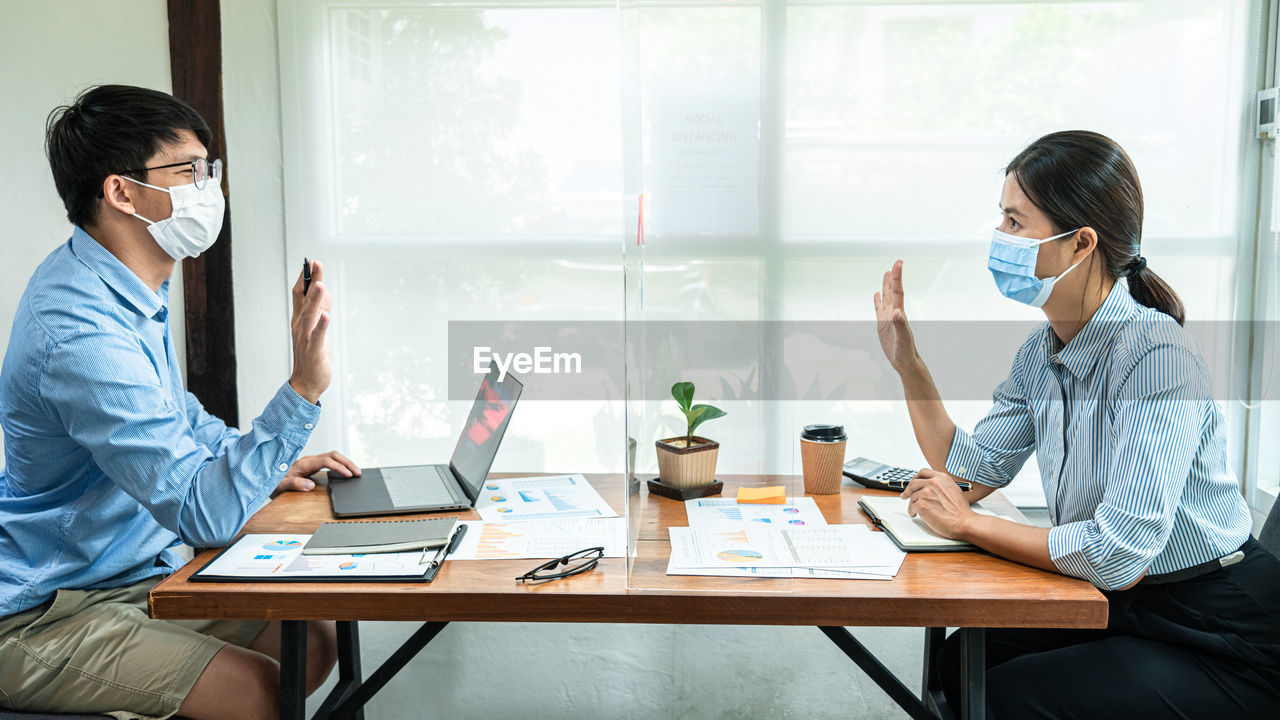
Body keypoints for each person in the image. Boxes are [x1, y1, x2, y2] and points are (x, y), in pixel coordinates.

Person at [875, 130, 1280, 718]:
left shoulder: (1156, 357)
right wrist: (908, 364)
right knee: (962, 663)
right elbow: (970, 470)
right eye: (1001, 220)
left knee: (1015, 697)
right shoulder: (1043, 352)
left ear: (1080, 243)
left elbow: (1119, 551)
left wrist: (967, 526)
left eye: (1016, 222)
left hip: (1222, 630)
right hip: (1126, 601)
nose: (1000, 239)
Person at [0, 85, 361, 720]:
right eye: (189, 170)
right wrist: (302, 390)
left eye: (208, 169)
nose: (209, 187)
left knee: (311, 641)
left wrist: (260, 464)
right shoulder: (80, 331)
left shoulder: (124, 284)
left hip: (134, 574)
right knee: (253, 691)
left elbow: (179, 421)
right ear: (122, 192)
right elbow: (203, 513)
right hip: (44, 612)